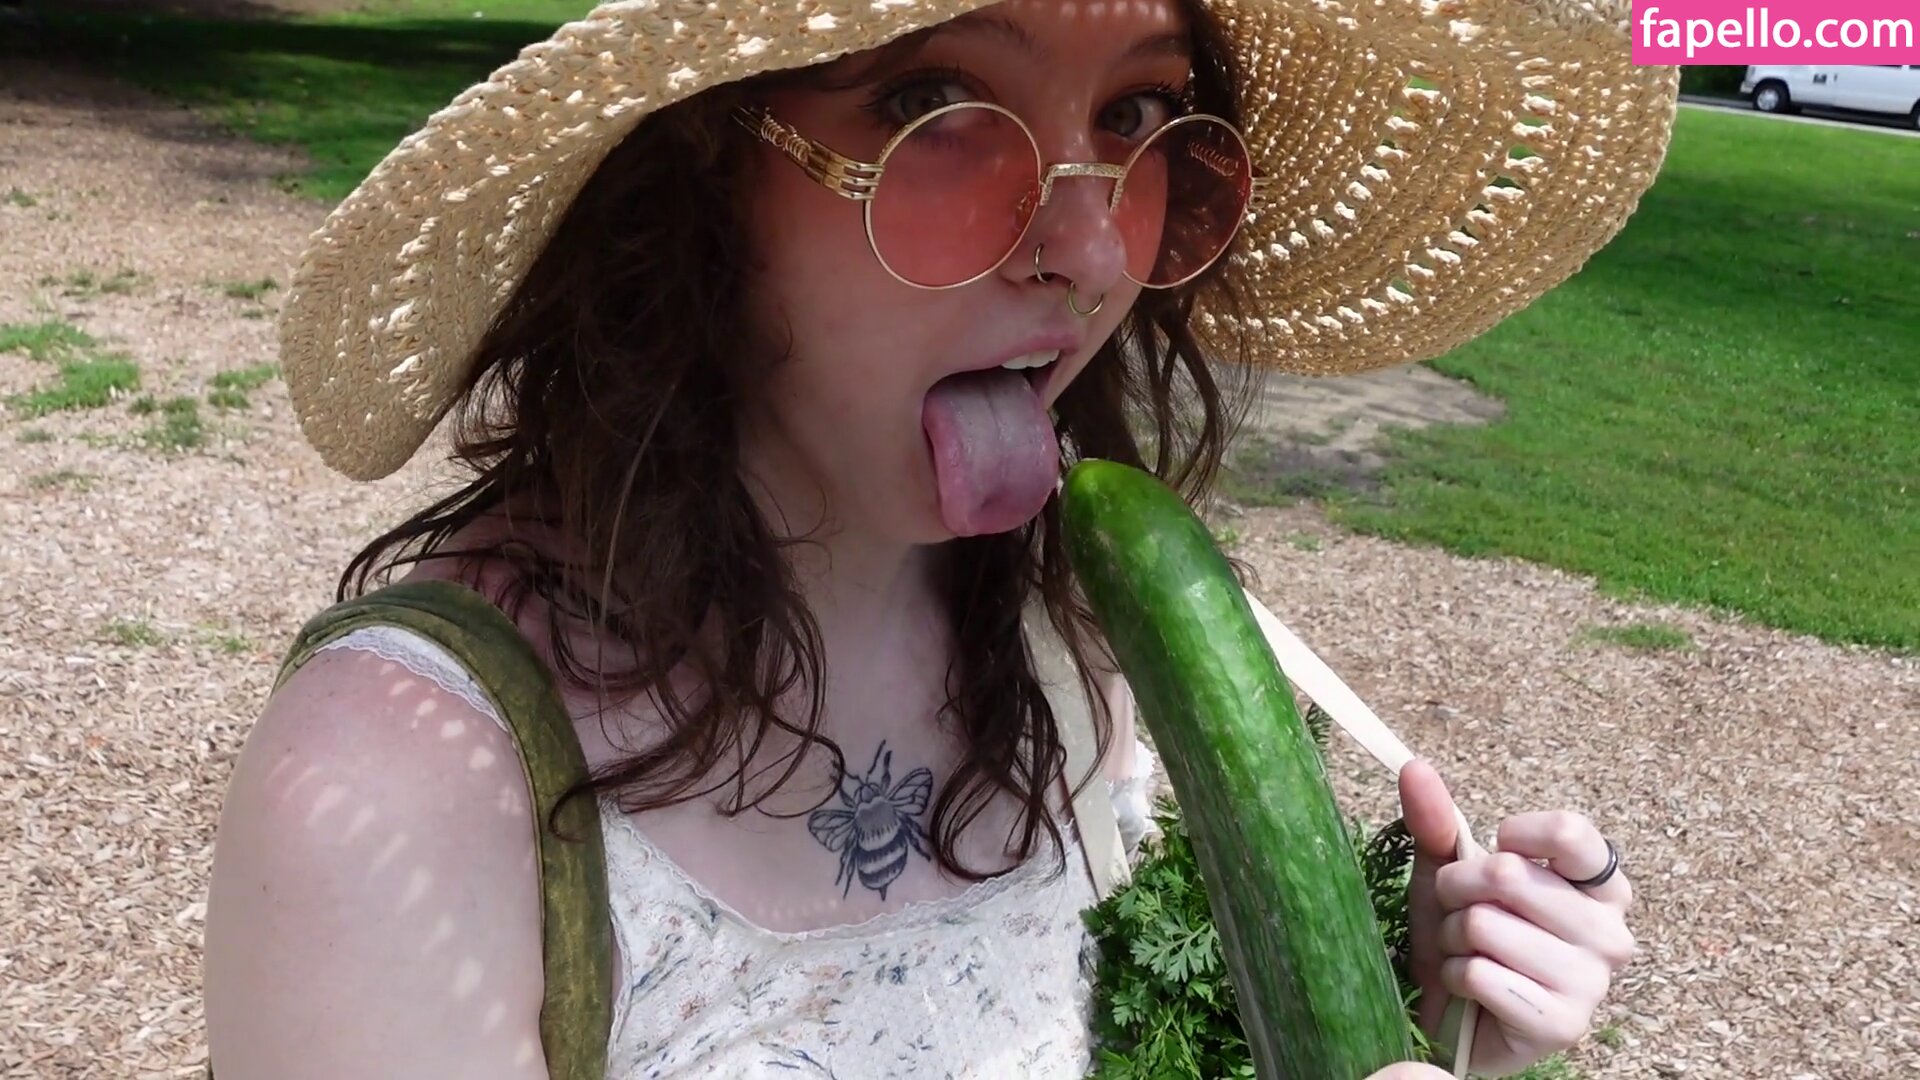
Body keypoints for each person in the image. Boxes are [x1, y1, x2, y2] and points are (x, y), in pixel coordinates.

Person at [201, 0, 1672, 1076]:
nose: (1088, 250)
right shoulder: (395, 794)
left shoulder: (1066, 641)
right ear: (700, 161)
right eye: (939, 102)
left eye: (1136, 115)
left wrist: (1418, 1013)